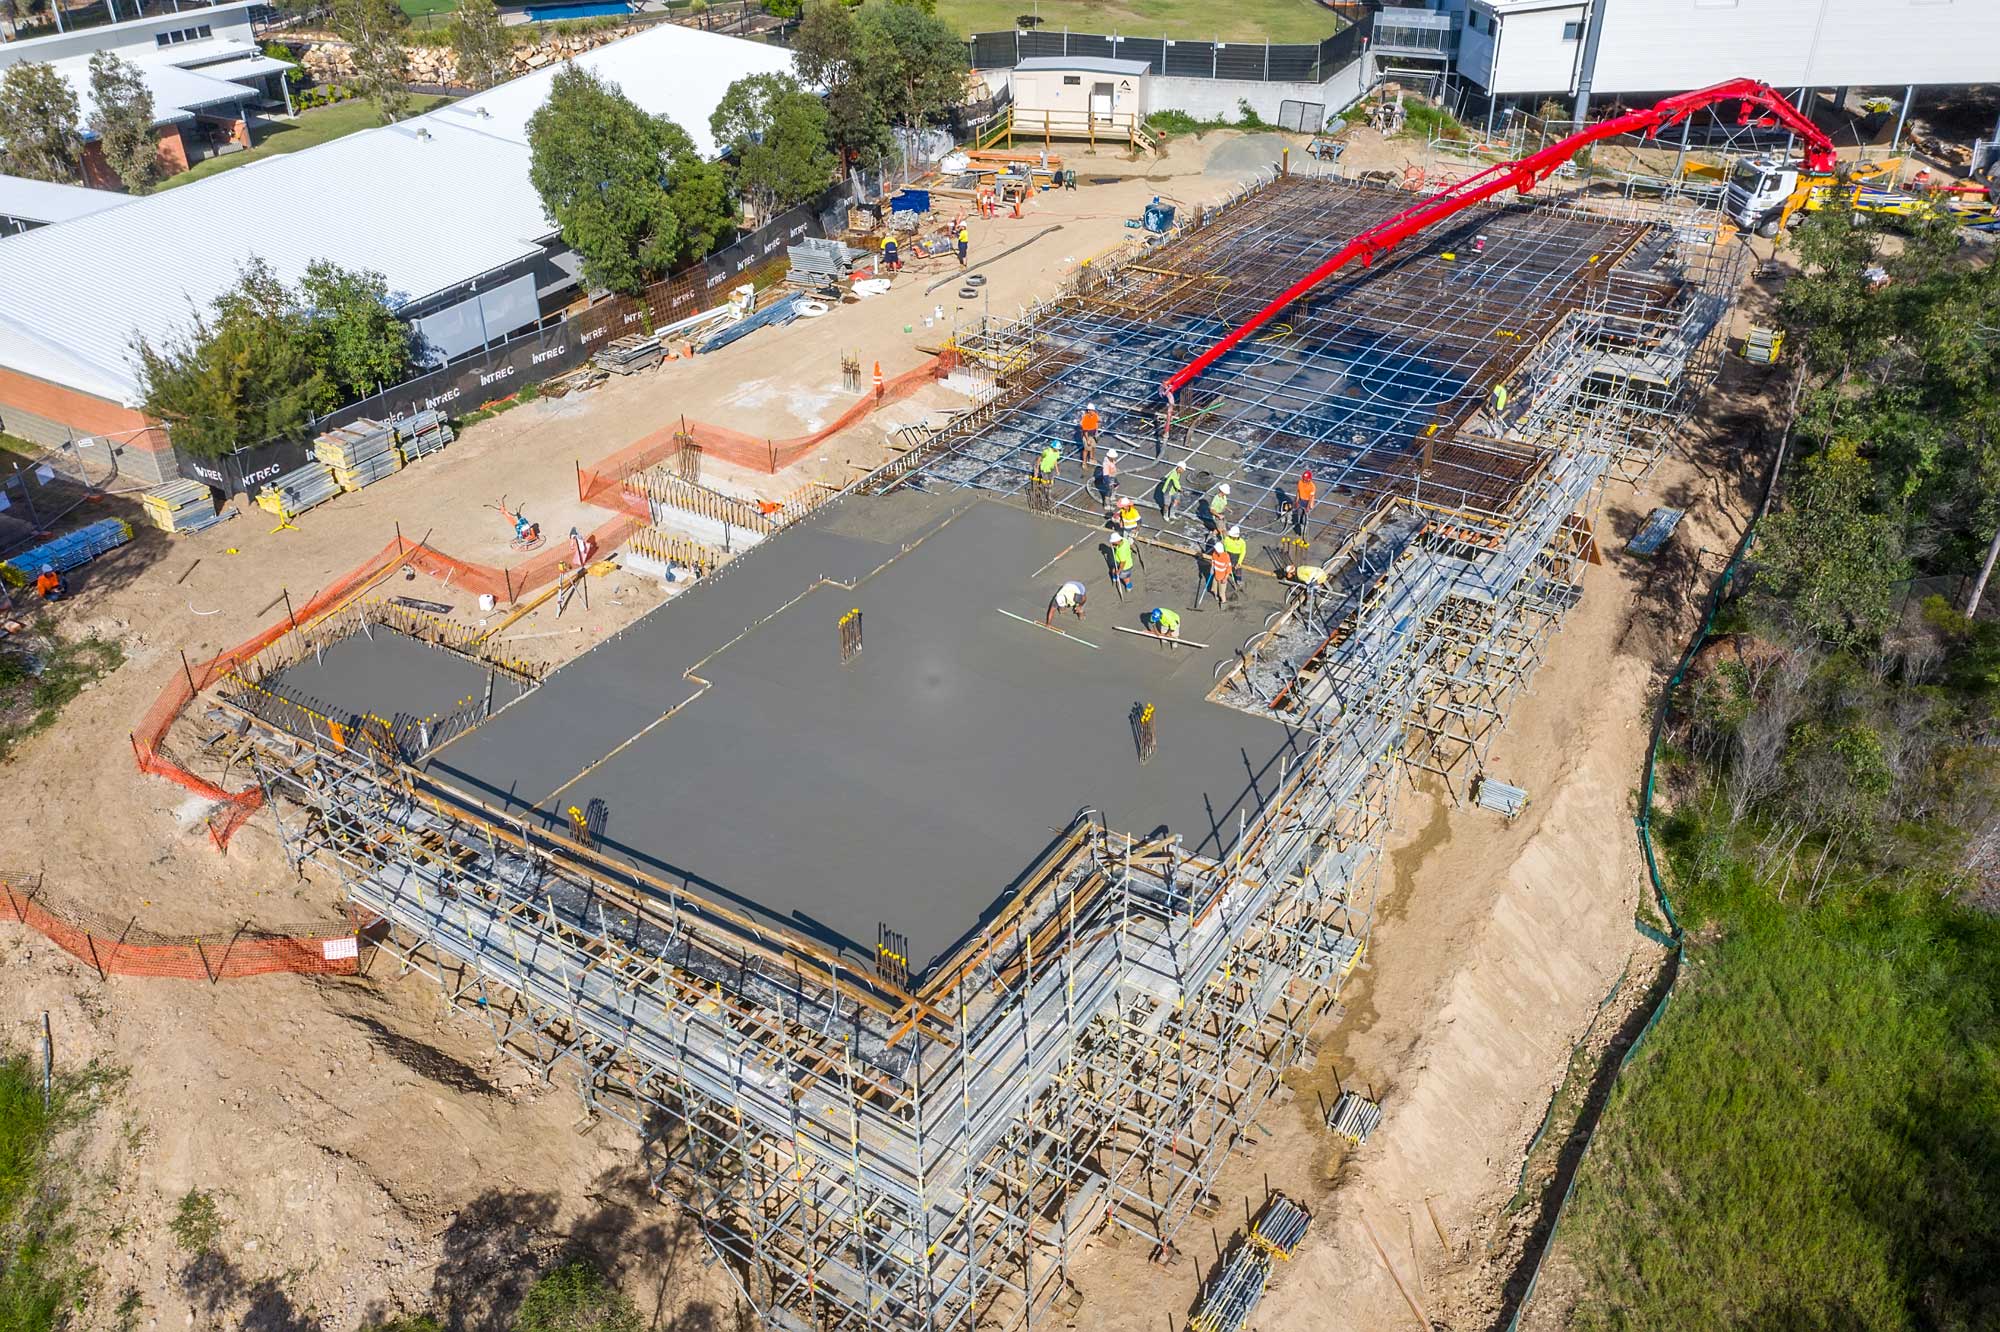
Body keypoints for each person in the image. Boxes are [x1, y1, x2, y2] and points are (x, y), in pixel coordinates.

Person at [1198, 540, 1231, 608]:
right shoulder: (1214, 554)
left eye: (1216, 550)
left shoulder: (1226, 556)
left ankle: (1223, 603)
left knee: (1222, 593)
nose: (1215, 550)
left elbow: (1229, 569)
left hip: (1222, 578)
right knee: (1214, 589)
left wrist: (1225, 578)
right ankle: (1216, 597)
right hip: (1216, 576)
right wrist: (1212, 569)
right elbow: (1213, 563)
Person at [1221, 524, 1248, 592]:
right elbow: (1223, 546)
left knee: (1237, 570)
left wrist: (1239, 562)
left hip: (1237, 556)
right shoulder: (1227, 539)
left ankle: (1238, 580)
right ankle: (1225, 575)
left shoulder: (1242, 542)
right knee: (1226, 567)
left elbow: (1243, 552)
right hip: (1228, 554)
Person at [1293, 469, 1317, 534]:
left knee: (1305, 513)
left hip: (1308, 500)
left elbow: (1311, 497)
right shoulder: (1300, 482)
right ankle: (1298, 523)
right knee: (1298, 511)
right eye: (1304, 479)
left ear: (1309, 479)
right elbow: (1298, 492)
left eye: (1306, 479)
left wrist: (1307, 506)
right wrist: (1297, 501)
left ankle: (1303, 525)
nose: (1304, 480)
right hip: (1301, 499)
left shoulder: (1312, 487)